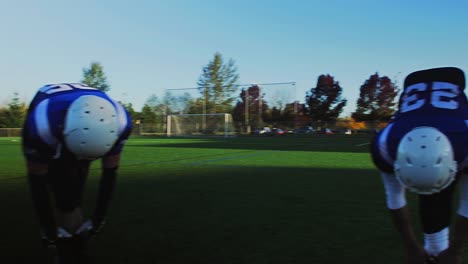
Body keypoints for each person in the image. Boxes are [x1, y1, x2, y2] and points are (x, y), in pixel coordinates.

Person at [22, 83, 132, 263]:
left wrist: (99, 218)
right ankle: (64, 245)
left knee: (73, 193)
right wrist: (48, 229)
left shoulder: (121, 121)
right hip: (52, 111)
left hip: (74, 117)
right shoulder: (41, 125)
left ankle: (73, 240)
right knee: (63, 194)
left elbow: (110, 172)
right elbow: (37, 180)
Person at [371, 67, 468, 264]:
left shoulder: (384, 145)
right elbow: (395, 199)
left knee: (441, 194)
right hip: (417, 93)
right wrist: (411, 247)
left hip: (452, 83)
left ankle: (436, 247)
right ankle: (436, 247)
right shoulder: (384, 146)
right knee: (436, 195)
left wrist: (456, 250)